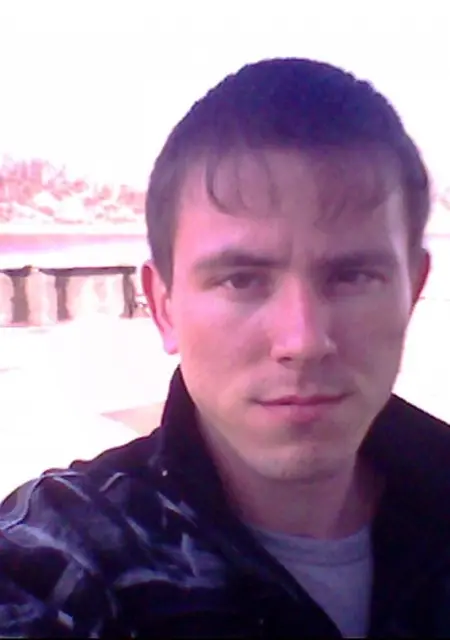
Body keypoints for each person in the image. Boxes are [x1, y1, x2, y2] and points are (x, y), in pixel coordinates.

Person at [0, 57, 448, 639]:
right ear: (163, 307)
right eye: (241, 280)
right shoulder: (64, 560)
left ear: (412, 291)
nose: (303, 341)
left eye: (352, 277)